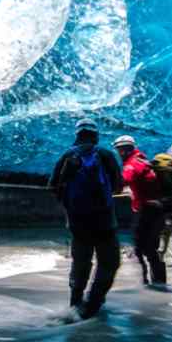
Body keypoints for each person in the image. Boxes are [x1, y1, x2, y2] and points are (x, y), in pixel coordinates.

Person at [49, 118, 123, 319]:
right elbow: (118, 186)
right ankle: (93, 304)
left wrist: (70, 207)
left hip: (77, 223)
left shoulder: (67, 156)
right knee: (109, 263)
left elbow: (53, 186)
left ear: (77, 135)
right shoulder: (106, 155)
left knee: (81, 262)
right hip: (105, 222)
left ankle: (74, 305)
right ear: (95, 135)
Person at [112, 135, 167, 287]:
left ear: (123, 150)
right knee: (151, 248)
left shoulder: (131, 164)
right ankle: (159, 282)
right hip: (158, 209)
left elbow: (121, 182)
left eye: (118, 150)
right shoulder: (143, 159)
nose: (118, 153)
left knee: (140, 247)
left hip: (145, 211)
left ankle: (145, 283)